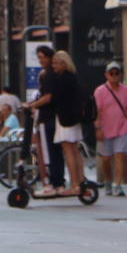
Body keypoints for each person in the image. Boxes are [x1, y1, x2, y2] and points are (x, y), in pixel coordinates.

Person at [33, 50, 85, 194]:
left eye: (56, 63)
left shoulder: (62, 79)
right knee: (75, 150)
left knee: (68, 151)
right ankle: (81, 182)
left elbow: (52, 98)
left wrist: (33, 104)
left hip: (64, 119)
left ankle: (74, 185)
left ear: (63, 63)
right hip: (74, 119)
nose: (53, 66)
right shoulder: (72, 77)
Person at [94, 61, 127, 196]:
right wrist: (98, 128)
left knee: (119, 155)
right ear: (106, 75)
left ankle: (118, 184)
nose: (114, 76)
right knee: (106, 159)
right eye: (111, 73)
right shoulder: (100, 91)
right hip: (105, 129)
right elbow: (96, 111)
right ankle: (107, 181)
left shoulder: (126, 91)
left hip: (122, 127)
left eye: (117, 73)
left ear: (120, 75)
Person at [27, 45, 65, 189]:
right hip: (54, 117)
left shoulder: (47, 75)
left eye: (42, 57)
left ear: (49, 58)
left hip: (47, 116)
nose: (40, 60)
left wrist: (33, 105)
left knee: (49, 151)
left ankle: (53, 182)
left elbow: (47, 97)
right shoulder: (55, 74)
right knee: (55, 151)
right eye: (39, 57)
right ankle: (58, 181)